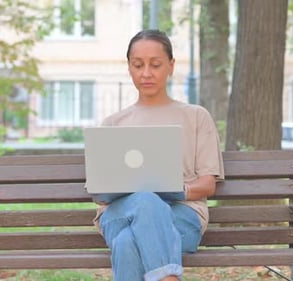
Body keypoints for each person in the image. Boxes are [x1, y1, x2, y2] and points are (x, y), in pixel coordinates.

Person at [93, 29, 224, 281]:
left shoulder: (196, 117)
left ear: (171, 66)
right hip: (120, 214)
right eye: (138, 65)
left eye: (155, 65)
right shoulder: (113, 123)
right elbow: (101, 198)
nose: (146, 73)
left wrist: (173, 190)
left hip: (183, 215)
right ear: (129, 68)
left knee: (127, 242)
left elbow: (207, 184)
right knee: (144, 200)